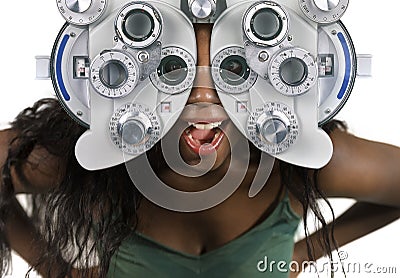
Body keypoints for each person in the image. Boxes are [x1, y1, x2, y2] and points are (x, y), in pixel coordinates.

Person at [0, 23, 399, 278]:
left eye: (234, 68)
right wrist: (53, 269)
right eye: (174, 67)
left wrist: (306, 253)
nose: (204, 92)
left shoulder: (298, 165)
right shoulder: (100, 162)